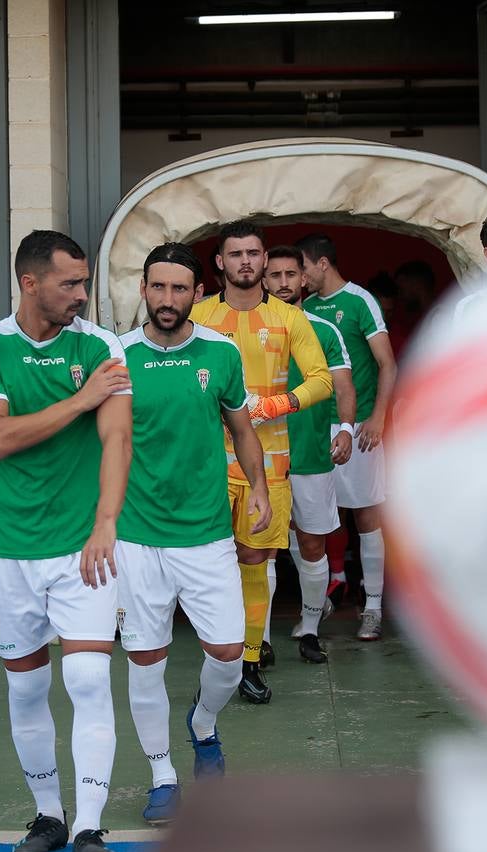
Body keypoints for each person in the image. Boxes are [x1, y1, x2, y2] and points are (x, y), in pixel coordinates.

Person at [0, 230, 132, 852]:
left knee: (87, 678)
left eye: (84, 284)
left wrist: (107, 522)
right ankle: (50, 815)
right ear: (30, 283)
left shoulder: (101, 347)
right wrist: (80, 400)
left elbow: (116, 439)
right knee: (28, 686)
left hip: (81, 549)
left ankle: (89, 827)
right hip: (5, 551)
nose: (82, 296)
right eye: (69, 284)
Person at [117, 242, 269, 825]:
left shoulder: (221, 355)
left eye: (180, 289)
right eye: (158, 287)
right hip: (136, 536)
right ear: (144, 290)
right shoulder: (118, 356)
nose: (167, 299)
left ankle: (203, 724)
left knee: (229, 654)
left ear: (198, 294)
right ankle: (163, 776)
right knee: (145, 660)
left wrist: (256, 486)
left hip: (205, 534)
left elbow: (242, 429)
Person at [190, 221, 334, 702]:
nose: (246, 262)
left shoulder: (291, 319)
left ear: (264, 259)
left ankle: (251, 660)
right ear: (220, 263)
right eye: (236, 254)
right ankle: (219, 660)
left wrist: (278, 404)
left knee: (254, 559)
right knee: (208, 564)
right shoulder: (199, 314)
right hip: (206, 462)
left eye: (254, 253)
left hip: (268, 464)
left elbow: (321, 379)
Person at [296, 233, 398, 641]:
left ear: (322, 264)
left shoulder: (360, 301)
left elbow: (387, 364)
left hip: (357, 428)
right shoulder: (302, 310)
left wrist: (377, 418)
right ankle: (318, 603)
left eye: (302, 268)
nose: (298, 278)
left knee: (366, 515)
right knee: (313, 518)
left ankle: (372, 605)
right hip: (314, 429)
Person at [264, 245, 357, 662]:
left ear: (304, 279)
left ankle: (310, 628)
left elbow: (342, 385)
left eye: (290, 274)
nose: (283, 283)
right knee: (259, 548)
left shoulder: (323, 329)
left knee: (313, 546)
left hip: (311, 454)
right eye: (275, 275)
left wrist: (346, 429)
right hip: (260, 457)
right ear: (263, 280)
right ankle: (258, 639)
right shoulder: (248, 327)